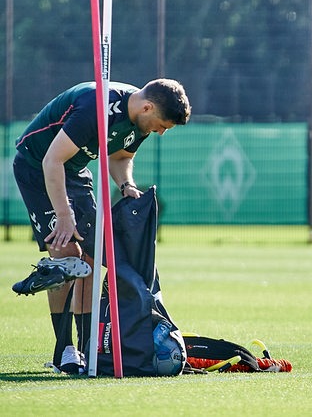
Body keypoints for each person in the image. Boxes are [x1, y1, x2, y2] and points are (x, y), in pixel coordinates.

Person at [12, 79, 191, 374]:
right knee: (68, 253)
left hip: (75, 171)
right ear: (147, 107)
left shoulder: (140, 122)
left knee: (93, 258)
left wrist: (126, 185)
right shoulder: (94, 108)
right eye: (161, 125)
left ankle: (86, 348)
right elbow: (52, 160)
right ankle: (64, 351)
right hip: (38, 166)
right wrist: (64, 213)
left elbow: (120, 157)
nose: (160, 132)